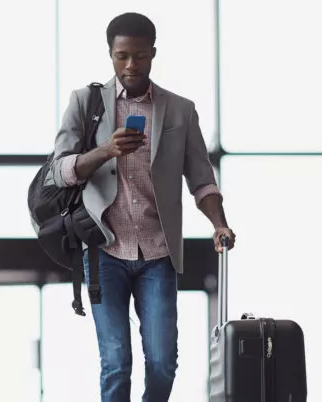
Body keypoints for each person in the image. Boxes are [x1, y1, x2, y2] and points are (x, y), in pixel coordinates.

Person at [50, 12, 236, 402]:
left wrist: (219, 223)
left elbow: (202, 179)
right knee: (116, 362)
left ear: (153, 53)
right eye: (121, 57)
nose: (130, 66)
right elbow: (60, 171)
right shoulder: (85, 103)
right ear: (110, 54)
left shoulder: (180, 111)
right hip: (104, 250)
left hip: (158, 252)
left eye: (139, 56)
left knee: (163, 360)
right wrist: (105, 151)